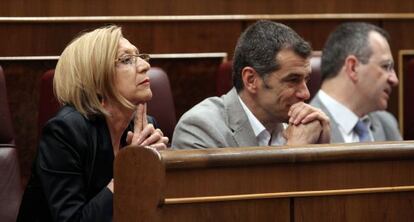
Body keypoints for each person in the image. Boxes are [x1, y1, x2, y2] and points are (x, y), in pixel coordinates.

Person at [17, 25, 168, 222]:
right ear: (96, 80)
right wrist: (129, 170)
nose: (144, 65)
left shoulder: (143, 128)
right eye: (126, 60)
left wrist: (163, 167)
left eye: (139, 56)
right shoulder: (65, 133)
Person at [172, 20, 330, 149]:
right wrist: (295, 150)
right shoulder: (200, 129)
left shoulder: (304, 127)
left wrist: (323, 148)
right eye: (293, 80)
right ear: (251, 80)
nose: (306, 94)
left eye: (306, 79)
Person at [310, 22, 402, 143]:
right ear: (353, 67)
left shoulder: (387, 124)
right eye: (385, 66)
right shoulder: (305, 128)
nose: (395, 80)